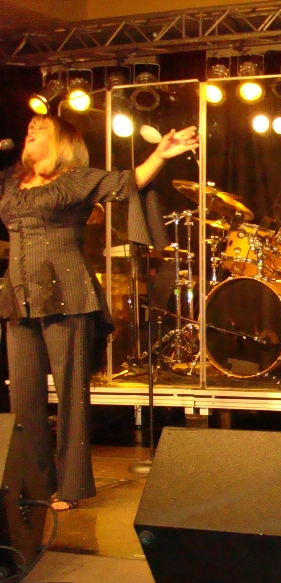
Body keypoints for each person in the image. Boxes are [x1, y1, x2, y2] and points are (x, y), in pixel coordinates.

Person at [0, 114, 198, 510]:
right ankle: (35, 484)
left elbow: (126, 182)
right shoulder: (9, 182)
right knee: (23, 396)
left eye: (40, 128)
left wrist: (160, 155)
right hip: (19, 297)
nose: (30, 132)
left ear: (61, 142)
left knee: (71, 391)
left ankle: (71, 486)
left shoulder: (74, 180)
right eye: (29, 128)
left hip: (66, 292)